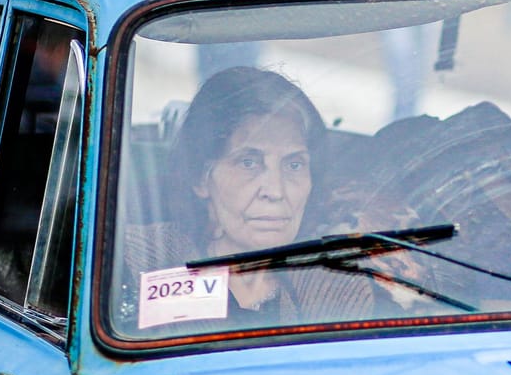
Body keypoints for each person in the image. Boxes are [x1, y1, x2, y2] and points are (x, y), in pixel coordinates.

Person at [122, 66, 368, 323]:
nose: (275, 191)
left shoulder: (337, 290)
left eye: (294, 165)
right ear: (200, 178)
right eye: (248, 163)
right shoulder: (140, 263)